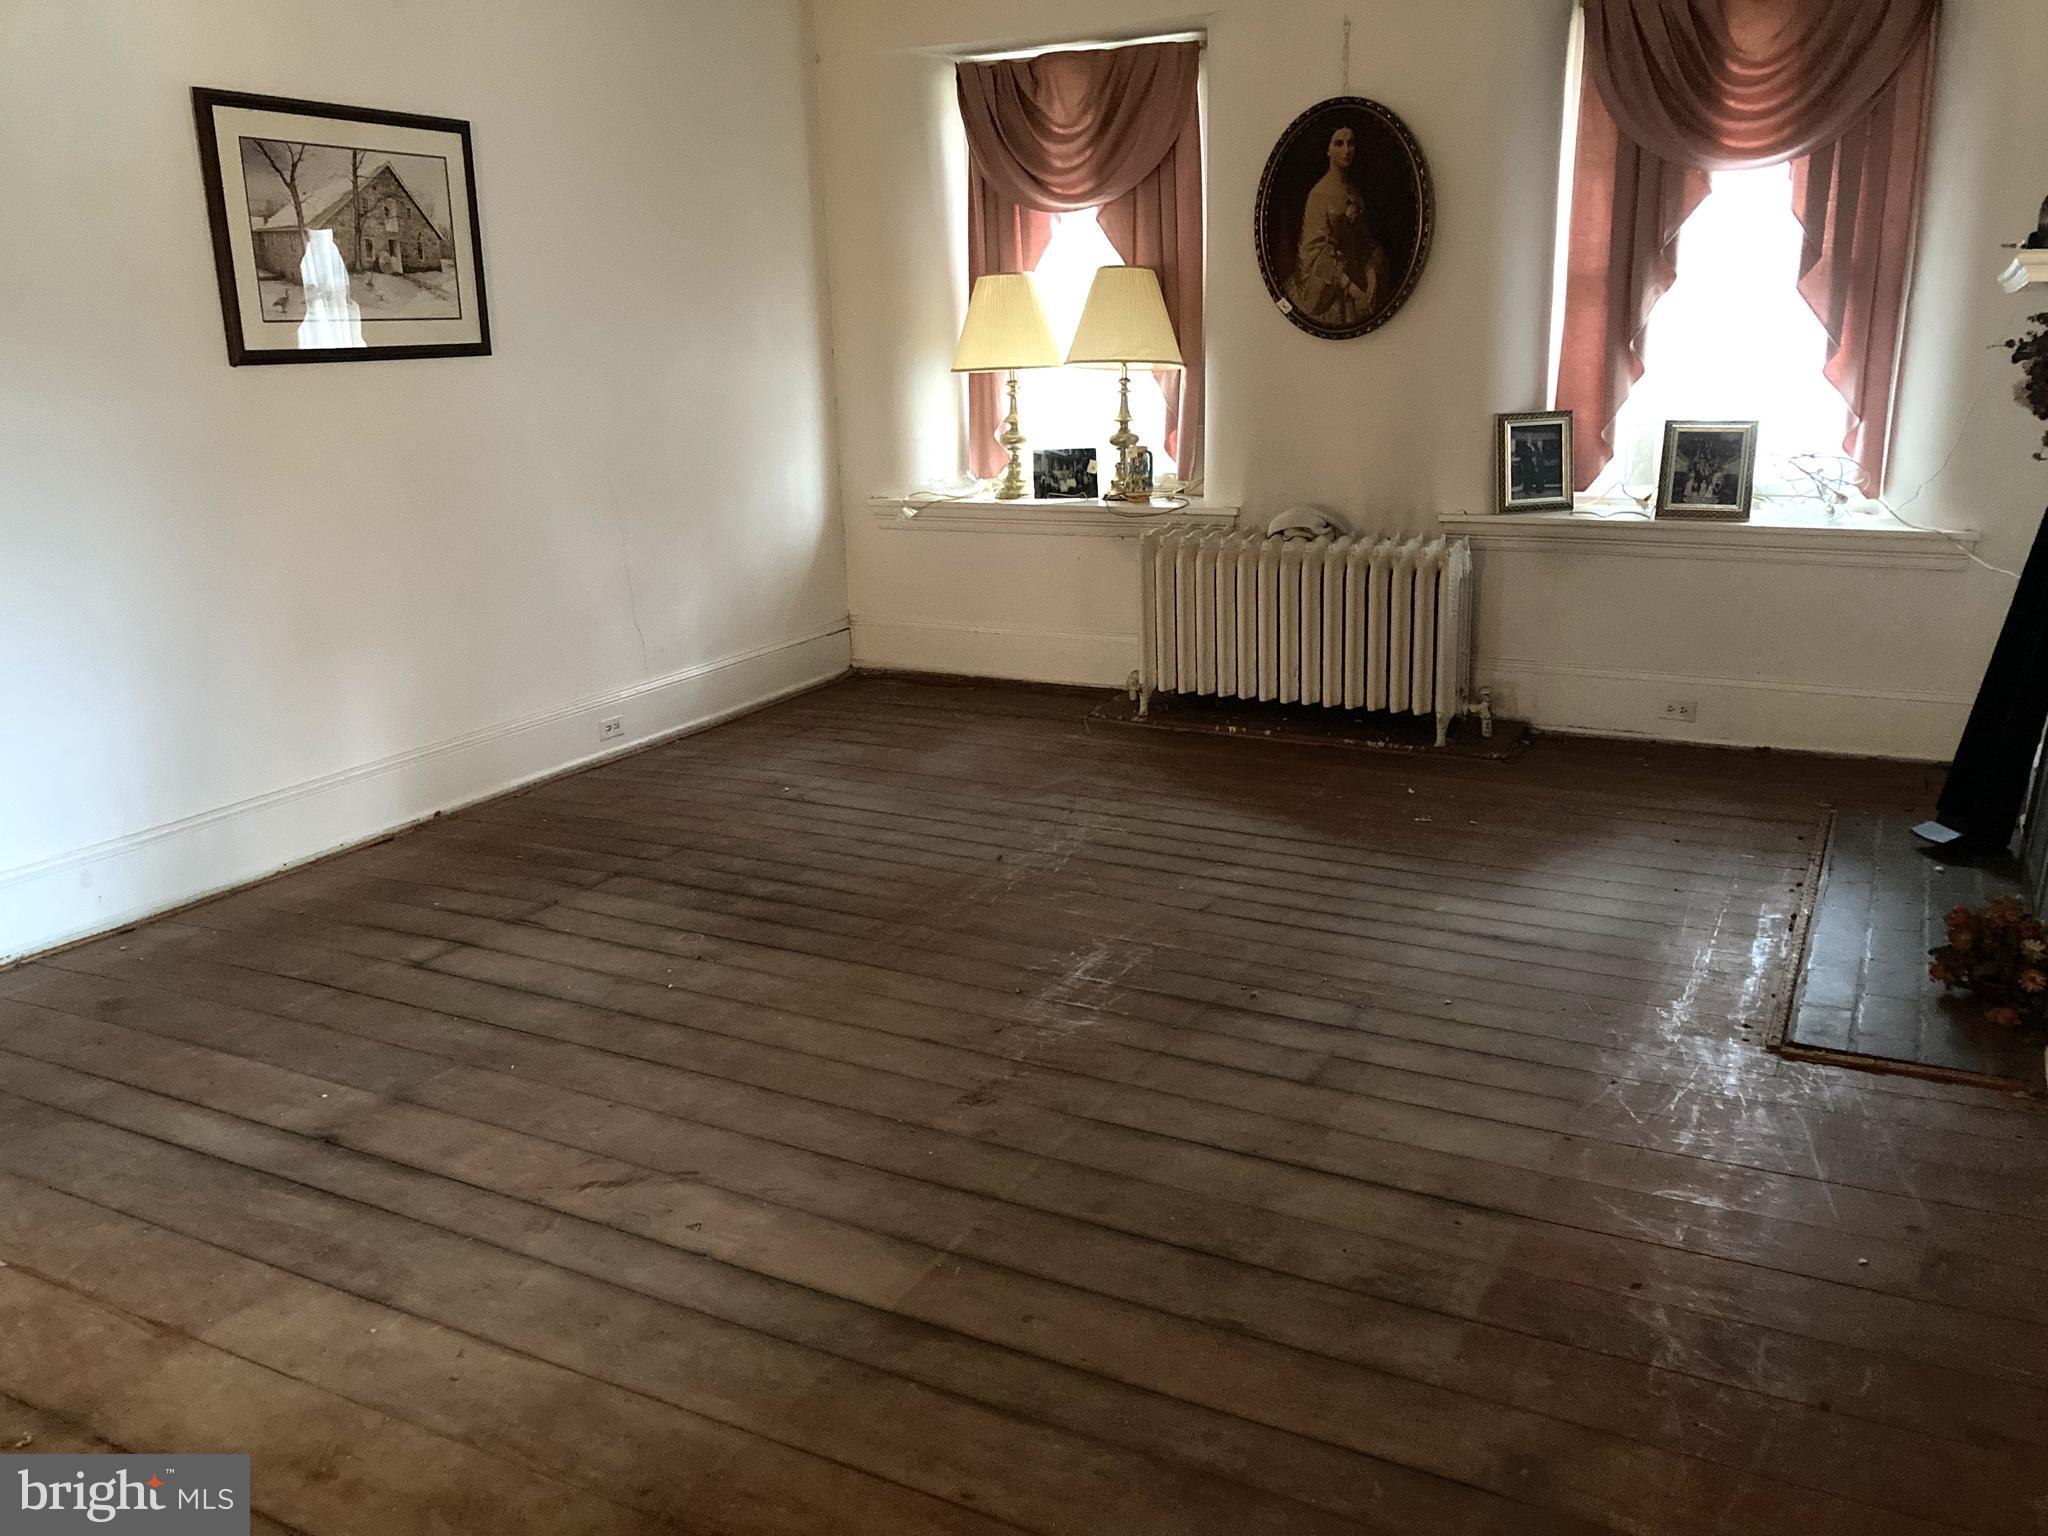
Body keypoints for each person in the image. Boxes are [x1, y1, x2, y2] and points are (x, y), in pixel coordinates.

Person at [1283, 124, 1392, 329]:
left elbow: (1365, 242)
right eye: (1339, 143)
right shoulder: (1318, 195)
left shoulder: (1354, 192)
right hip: (1330, 288)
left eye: (1351, 143)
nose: (1346, 150)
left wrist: (1370, 277)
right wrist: (1352, 289)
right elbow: (1313, 252)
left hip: (1355, 277)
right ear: (1328, 149)